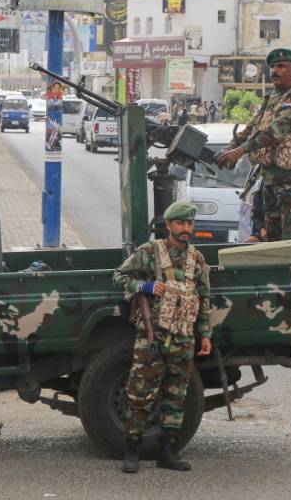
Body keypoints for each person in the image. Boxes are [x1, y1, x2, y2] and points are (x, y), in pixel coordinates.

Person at [113, 200, 213, 474]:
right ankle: (132, 449)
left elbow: (204, 299)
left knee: (176, 396)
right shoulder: (150, 253)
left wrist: (204, 333)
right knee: (139, 395)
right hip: (152, 337)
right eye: (180, 223)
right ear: (168, 225)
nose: (185, 229)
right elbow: (119, 276)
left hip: (183, 338)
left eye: (189, 224)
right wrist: (144, 285)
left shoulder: (197, 259)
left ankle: (168, 451)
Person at [216, 48, 291, 242]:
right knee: (272, 240)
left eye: (281, 66)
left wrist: (239, 152)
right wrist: (229, 149)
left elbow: (274, 132)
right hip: (270, 183)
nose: (275, 71)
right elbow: (251, 128)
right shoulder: (270, 98)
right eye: (272, 67)